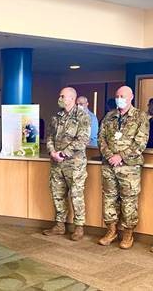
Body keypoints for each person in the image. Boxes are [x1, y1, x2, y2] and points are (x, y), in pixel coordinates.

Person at [98, 86, 149, 249]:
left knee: (129, 200)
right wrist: (110, 156)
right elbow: (101, 139)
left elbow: (140, 143)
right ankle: (111, 231)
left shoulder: (140, 116)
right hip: (109, 165)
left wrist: (120, 156)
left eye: (123, 95)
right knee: (109, 198)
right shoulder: (109, 116)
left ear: (131, 97)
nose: (119, 98)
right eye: (117, 95)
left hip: (129, 168)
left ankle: (128, 234)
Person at [43, 87, 91, 241]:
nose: (60, 98)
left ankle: (79, 227)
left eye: (62, 96)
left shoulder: (83, 116)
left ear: (72, 98)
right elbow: (49, 136)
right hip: (57, 163)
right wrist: (52, 152)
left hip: (74, 164)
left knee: (76, 195)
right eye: (60, 95)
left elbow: (82, 140)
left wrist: (63, 154)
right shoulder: (57, 116)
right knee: (57, 194)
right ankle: (59, 225)